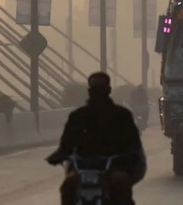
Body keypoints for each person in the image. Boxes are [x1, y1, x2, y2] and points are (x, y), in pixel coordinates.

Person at [46, 72, 146, 205]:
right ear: (89, 91)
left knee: (120, 185)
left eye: (101, 89)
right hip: (83, 169)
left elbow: (133, 142)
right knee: (67, 187)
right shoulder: (78, 116)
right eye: (95, 89)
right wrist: (59, 155)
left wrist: (130, 155)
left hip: (114, 167)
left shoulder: (122, 116)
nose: (98, 93)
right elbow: (66, 144)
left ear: (108, 90)